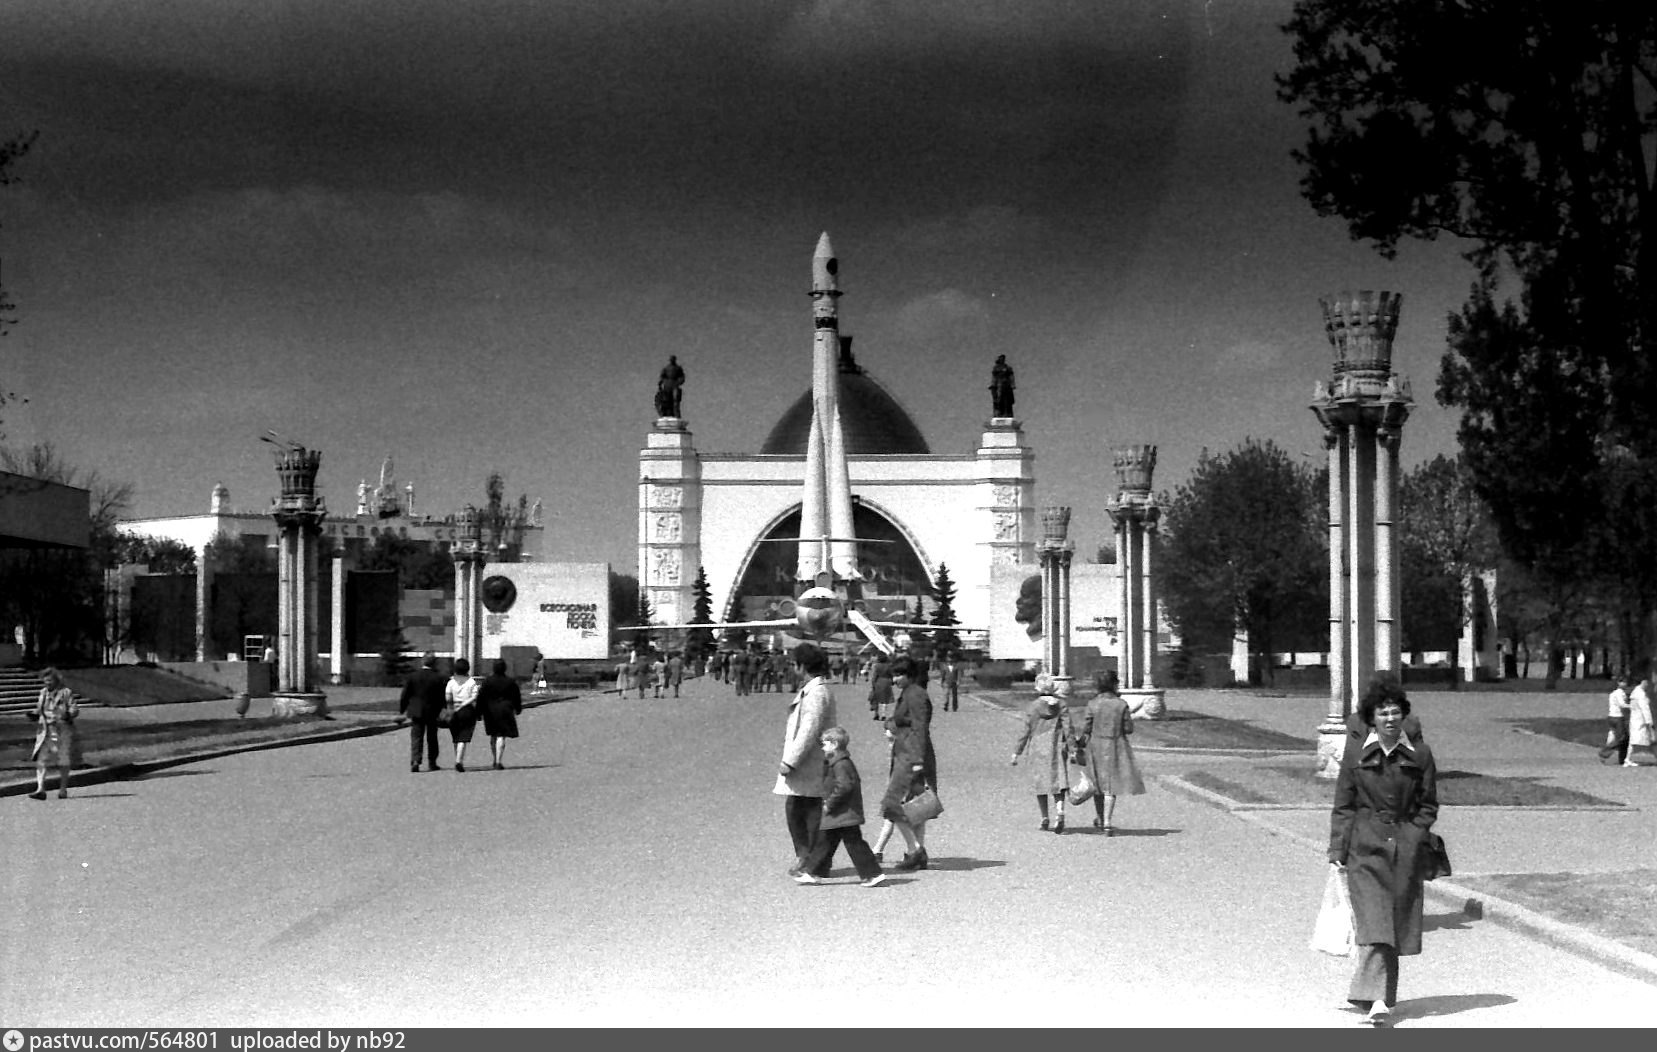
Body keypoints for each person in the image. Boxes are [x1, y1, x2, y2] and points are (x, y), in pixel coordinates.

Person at [1328, 677, 1439, 1026]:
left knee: (1391, 924)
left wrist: (1413, 835)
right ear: (1372, 718)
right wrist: (1338, 848)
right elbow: (1343, 804)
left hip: (1403, 852)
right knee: (1375, 923)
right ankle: (1376, 999)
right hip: (1365, 848)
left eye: (1395, 712)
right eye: (1382, 712)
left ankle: (1377, 998)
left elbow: (1428, 805)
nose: (1390, 718)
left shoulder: (1420, 755)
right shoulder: (1357, 753)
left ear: (1403, 716)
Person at [792, 726, 887, 888]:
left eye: (825, 744)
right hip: (842, 812)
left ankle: (873, 874)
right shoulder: (838, 763)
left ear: (834, 744)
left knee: (852, 844)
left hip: (843, 812)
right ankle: (813, 872)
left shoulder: (840, 764)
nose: (822, 747)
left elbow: (844, 787)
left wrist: (829, 804)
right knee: (826, 842)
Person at [775, 642, 839, 878]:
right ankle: (807, 857)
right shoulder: (813, 689)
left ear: (803, 666)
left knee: (807, 812)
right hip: (808, 763)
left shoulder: (817, 692)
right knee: (798, 809)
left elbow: (808, 730)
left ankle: (812, 860)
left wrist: (790, 761)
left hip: (809, 762)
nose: (793, 668)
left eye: (794, 664)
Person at [875, 654, 937, 872]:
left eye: (899, 675)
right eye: (893, 675)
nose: (895, 680)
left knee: (893, 805)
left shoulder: (916, 695)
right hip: (906, 752)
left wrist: (919, 760)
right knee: (914, 807)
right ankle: (917, 851)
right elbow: (905, 721)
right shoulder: (909, 693)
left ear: (910, 675)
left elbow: (920, 726)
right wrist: (891, 724)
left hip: (911, 756)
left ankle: (915, 850)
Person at [1078, 670, 1145, 835]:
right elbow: (1128, 729)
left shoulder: (1092, 704)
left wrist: (1080, 743)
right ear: (1115, 683)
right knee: (1111, 786)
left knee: (1098, 785)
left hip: (1096, 746)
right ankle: (1108, 822)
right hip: (1116, 745)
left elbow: (1086, 728)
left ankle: (1100, 818)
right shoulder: (1121, 704)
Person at [1010, 674, 1071, 832]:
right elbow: (1068, 728)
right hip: (1056, 745)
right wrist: (1073, 748)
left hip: (1038, 747)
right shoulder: (1061, 705)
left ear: (1037, 688)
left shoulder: (1033, 707)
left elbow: (1026, 731)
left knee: (1040, 783)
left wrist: (1017, 752)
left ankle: (1044, 817)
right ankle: (1060, 811)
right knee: (1058, 782)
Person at [28, 668, 78, 800]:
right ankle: (40, 789)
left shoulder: (66, 693)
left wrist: (68, 714)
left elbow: (74, 709)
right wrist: (34, 714)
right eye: (45, 681)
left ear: (56, 680)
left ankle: (63, 789)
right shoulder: (43, 693)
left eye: (49, 681)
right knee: (41, 759)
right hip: (45, 731)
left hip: (62, 731)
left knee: (63, 759)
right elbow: (39, 708)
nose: (47, 683)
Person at [398, 652, 448, 772]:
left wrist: (402, 710)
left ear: (422, 661)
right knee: (432, 736)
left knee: (416, 735)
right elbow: (441, 696)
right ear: (434, 663)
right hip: (432, 709)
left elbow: (405, 694)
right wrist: (443, 708)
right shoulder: (438, 678)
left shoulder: (413, 676)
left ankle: (415, 760)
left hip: (416, 707)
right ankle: (432, 762)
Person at [477, 659, 523, 770]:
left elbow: (481, 697)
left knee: (493, 735)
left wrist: (478, 712)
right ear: (505, 668)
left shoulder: (487, 681)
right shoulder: (510, 682)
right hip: (505, 709)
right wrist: (518, 708)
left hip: (490, 710)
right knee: (501, 735)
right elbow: (516, 697)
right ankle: (499, 761)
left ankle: (494, 758)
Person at [445, 657, 480, 772]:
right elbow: (475, 696)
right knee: (463, 737)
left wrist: (451, 707)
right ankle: (459, 760)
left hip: (453, 710)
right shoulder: (471, 682)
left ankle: (457, 758)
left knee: (456, 736)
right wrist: (465, 703)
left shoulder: (451, 682)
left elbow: (448, 696)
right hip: (467, 711)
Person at [1601, 674, 1634, 765]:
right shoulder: (1619, 693)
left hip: (1612, 717)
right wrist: (1633, 706)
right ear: (1619, 683)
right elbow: (1622, 704)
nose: (1625, 684)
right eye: (1623, 682)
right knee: (1622, 738)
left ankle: (1622, 758)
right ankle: (1604, 753)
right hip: (1617, 717)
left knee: (1622, 738)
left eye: (1626, 682)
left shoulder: (1613, 693)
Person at [1626, 667, 1656, 767]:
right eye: (1647, 682)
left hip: (1635, 719)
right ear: (1643, 682)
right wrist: (1649, 722)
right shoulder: (1641, 694)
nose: (1648, 684)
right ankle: (1628, 759)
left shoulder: (1635, 692)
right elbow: (1645, 709)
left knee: (1635, 740)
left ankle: (1628, 758)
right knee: (1650, 739)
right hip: (1640, 720)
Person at [867, 654, 893, 722]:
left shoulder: (877, 666)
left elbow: (874, 676)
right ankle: (883, 715)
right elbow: (891, 675)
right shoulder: (889, 666)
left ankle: (876, 714)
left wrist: (873, 684)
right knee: (885, 699)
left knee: (876, 699)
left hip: (878, 682)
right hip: (887, 682)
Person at [990, 353, 1015, 417]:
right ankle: (999, 413)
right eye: (1001, 358)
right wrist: (993, 385)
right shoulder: (996, 368)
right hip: (999, 384)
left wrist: (1012, 384)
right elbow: (994, 377)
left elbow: (1011, 376)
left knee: (1007, 399)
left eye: (1003, 358)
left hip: (1006, 384)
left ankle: (1007, 413)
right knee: (999, 399)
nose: (1002, 360)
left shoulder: (1008, 367)